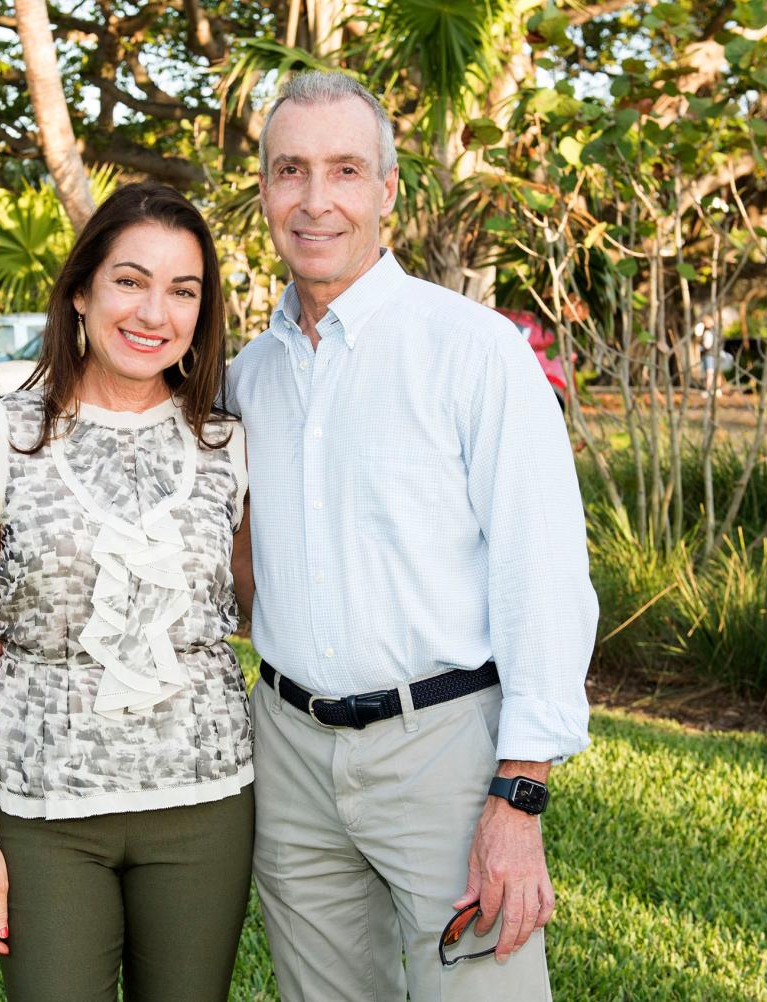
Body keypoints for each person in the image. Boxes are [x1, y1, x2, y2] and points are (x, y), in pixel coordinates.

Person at [226, 72, 598, 1001]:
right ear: (264, 190)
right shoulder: (246, 377)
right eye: (290, 171)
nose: (316, 201)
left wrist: (518, 798)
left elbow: (542, 577)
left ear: (387, 191)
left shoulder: (473, 353)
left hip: (442, 752)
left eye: (345, 170)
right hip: (289, 755)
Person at [0, 182, 253, 1002]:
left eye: (183, 290)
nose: (154, 312)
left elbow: (264, 612)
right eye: (130, 280)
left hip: (205, 804)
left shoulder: (228, 442)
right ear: (81, 291)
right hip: (43, 814)